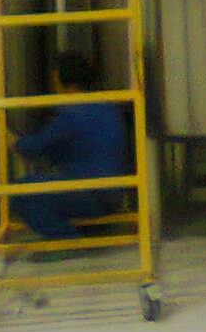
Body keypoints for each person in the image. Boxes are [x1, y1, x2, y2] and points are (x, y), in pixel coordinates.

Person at [12, 52, 133, 242]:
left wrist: (15, 142)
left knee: (19, 194)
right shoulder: (109, 105)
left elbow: (38, 147)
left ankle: (67, 239)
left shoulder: (71, 111)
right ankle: (93, 228)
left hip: (90, 195)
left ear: (60, 80)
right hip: (115, 196)